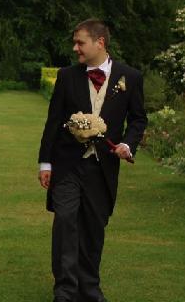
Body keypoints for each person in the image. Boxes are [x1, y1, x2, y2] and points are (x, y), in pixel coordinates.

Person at [37, 19, 147, 302]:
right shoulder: (67, 76)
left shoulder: (130, 77)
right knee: (65, 220)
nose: (75, 48)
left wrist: (127, 144)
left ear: (100, 43)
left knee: (93, 226)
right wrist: (45, 163)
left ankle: (89, 288)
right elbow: (53, 122)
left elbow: (138, 119)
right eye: (75, 42)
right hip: (67, 165)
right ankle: (65, 290)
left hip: (102, 167)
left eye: (80, 42)